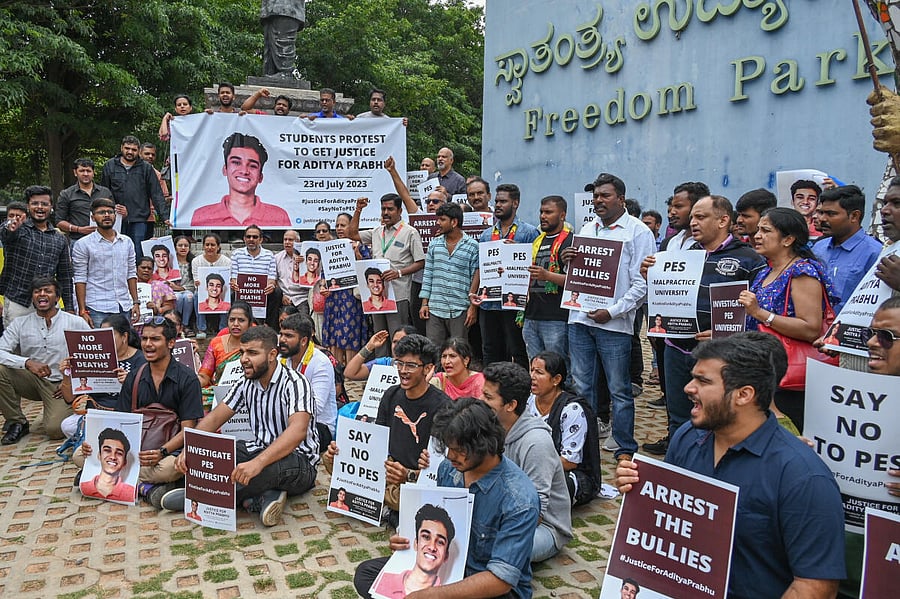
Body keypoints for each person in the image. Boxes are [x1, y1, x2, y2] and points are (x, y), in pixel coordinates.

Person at [615, 333, 846, 598]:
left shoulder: (803, 477)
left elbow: (815, 586)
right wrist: (642, 492)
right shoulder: (687, 437)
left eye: (703, 381)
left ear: (744, 394)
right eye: (693, 378)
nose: (688, 388)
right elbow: (667, 529)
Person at [355, 398, 540, 599]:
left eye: (460, 450)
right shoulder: (449, 469)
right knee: (366, 575)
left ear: (484, 445)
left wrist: (435, 595)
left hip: (489, 586)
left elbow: (501, 580)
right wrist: (405, 545)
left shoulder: (519, 500)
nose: (451, 456)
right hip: (446, 570)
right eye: (448, 447)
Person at [643, 195, 765, 448]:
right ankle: (677, 465)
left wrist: (723, 334)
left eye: (701, 217)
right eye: (693, 217)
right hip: (676, 348)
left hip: (720, 356)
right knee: (678, 415)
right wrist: (652, 276)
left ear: (723, 221)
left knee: (716, 418)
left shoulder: (750, 259)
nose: (693, 222)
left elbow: (756, 312)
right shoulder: (684, 255)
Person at [175, 325, 320, 526]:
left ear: (272, 355)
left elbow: (297, 432)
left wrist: (257, 463)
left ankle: (199, 495)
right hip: (259, 450)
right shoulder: (246, 382)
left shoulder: (295, 383)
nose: (244, 359)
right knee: (216, 450)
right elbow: (216, 418)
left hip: (299, 463)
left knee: (267, 468)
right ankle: (262, 496)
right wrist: (192, 447)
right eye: (242, 352)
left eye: (252, 353)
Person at [562, 173, 655, 463]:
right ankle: (584, 443)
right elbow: (579, 276)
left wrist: (611, 312)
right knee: (581, 385)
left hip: (613, 325)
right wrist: (569, 261)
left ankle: (625, 446)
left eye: (605, 195)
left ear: (621, 199)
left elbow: (643, 284)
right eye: (596, 196)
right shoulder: (587, 228)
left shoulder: (638, 233)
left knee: (619, 390)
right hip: (580, 321)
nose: (598, 201)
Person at [75, 315, 202, 508]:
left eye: (155, 339)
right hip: (135, 449)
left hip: (169, 451)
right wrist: (93, 443)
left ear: (171, 343)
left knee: (169, 469)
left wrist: (162, 451)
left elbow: (189, 430)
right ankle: (147, 488)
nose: (148, 344)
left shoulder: (187, 379)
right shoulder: (135, 376)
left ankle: (109, 474)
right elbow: (118, 420)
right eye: (145, 339)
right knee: (79, 454)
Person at [739, 207, 839, 431]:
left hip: (787, 378)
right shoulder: (767, 270)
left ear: (788, 239)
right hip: (762, 371)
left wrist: (760, 314)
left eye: (766, 230)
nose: (757, 236)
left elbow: (811, 328)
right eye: (758, 230)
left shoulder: (802, 272)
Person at [478, 362, 572, 562]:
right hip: (498, 515)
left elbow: (535, 512)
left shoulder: (536, 442)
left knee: (490, 549)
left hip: (544, 527)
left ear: (511, 405)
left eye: (488, 397)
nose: (480, 401)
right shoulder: (488, 425)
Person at [0, 277, 90, 444]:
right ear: (32, 297)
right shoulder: (20, 323)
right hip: (32, 380)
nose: (42, 294)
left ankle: (69, 410)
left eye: (47, 291)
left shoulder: (76, 322)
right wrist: (27, 363)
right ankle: (17, 422)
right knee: (1, 370)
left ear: (57, 297)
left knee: (55, 430)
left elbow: (93, 355)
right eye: (37, 291)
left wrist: (74, 385)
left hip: (62, 384)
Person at [473, 183, 540, 366]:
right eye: (497, 201)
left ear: (515, 203)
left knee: (517, 350)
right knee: (490, 350)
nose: (499, 205)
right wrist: (476, 294)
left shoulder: (529, 232)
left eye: (503, 201)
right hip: (489, 302)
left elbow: (536, 265)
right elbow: (480, 267)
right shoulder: (486, 235)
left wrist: (517, 252)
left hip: (515, 303)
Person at [348, 194, 426, 344]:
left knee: (397, 337)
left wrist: (399, 273)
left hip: (398, 294)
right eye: (383, 209)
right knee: (379, 337)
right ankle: (380, 366)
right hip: (377, 294)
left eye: (390, 209)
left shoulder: (410, 232)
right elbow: (351, 234)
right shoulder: (377, 231)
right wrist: (358, 210)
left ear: (399, 210)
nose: (385, 213)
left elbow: (421, 262)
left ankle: (397, 366)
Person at [528, 351, 602, 506]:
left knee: (550, 488)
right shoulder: (529, 401)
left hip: (567, 473)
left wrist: (532, 466)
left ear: (556, 379)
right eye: (532, 370)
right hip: (533, 466)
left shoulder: (572, 410)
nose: (532, 377)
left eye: (539, 372)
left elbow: (569, 462)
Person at [59, 314, 146, 439]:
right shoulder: (90, 357)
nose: (104, 341)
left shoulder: (140, 359)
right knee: (67, 425)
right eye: (101, 336)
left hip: (126, 413)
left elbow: (149, 396)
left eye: (109, 336)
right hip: (96, 413)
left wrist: (130, 382)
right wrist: (66, 375)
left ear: (124, 337)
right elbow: (69, 398)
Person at [0, 186, 76, 326]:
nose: (40, 207)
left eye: (44, 204)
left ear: (51, 207)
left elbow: (65, 276)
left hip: (48, 304)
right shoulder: (18, 230)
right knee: (15, 347)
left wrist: (70, 308)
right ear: (28, 206)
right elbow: (6, 234)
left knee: (51, 346)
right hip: (18, 302)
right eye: (35, 203)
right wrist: (9, 227)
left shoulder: (59, 239)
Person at [191, 133, 291, 227]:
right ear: (225, 169)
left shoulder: (280, 216)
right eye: (236, 162)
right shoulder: (201, 215)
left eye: (252, 166)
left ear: (260, 176)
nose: (244, 171)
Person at [813, 185, 882, 312]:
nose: (822, 219)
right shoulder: (818, 248)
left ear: (854, 216)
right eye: (821, 212)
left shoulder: (875, 253)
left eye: (831, 214)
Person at [72, 198, 141, 327]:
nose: (106, 215)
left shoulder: (126, 242)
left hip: (124, 305)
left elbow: (131, 274)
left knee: (125, 345)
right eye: (101, 212)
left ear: (115, 215)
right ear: (93, 217)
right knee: (102, 346)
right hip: (96, 307)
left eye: (110, 212)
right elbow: (80, 278)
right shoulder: (83, 244)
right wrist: (82, 310)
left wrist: (136, 302)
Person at [524, 195, 574, 368]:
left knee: (557, 367)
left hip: (556, 318)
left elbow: (577, 282)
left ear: (562, 215)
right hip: (531, 316)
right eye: (541, 212)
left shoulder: (571, 241)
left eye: (548, 212)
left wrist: (548, 276)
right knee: (536, 367)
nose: (543, 216)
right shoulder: (537, 240)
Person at [420, 203, 479, 347]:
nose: (438, 223)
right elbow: (428, 275)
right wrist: (424, 304)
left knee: (458, 352)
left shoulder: (472, 246)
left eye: (442, 219)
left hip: (460, 309)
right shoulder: (434, 244)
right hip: (435, 308)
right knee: (433, 352)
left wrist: (473, 308)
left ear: (454, 222)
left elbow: (476, 278)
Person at [100, 135, 168, 258]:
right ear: (121, 148)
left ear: (138, 151)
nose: (130, 152)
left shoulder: (146, 168)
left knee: (137, 253)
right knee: (115, 251)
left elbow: (156, 193)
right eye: (127, 148)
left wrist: (165, 216)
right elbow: (104, 192)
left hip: (139, 218)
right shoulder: (109, 166)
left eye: (134, 149)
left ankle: (136, 277)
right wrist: (112, 208)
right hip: (116, 218)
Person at [370, 504, 455, 595]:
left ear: (446, 555)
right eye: (426, 537)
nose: (432, 547)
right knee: (364, 572)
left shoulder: (446, 593)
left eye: (440, 542)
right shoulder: (386, 581)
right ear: (416, 543)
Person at [279, 313, 337, 445]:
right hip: (288, 419)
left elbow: (316, 408)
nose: (282, 340)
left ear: (304, 341)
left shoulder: (320, 363)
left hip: (319, 426)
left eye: (288, 336)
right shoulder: (281, 358)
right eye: (281, 334)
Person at [322, 212, 367, 364]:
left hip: (351, 298)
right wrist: (324, 287)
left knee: (350, 333)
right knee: (334, 334)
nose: (339, 228)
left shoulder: (360, 246)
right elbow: (324, 275)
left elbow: (369, 270)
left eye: (343, 225)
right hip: (333, 298)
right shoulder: (330, 248)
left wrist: (358, 255)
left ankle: (351, 371)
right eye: (337, 225)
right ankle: (336, 370)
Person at [230, 225, 281, 329]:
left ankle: (270, 327)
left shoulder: (269, 255)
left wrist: (270, 286)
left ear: (261, 239)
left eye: (255, 237)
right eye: (248, 237)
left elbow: (272, 279)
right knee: (231, 293)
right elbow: (233, 277)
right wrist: (234, 284)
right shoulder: (236, 254)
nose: (251, 240)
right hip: (242, 291)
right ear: (244, 239)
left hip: (262, 291)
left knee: (276, 292)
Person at [55, 158, 114, 244]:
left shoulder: (105, 192)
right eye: (82, 171)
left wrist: (123, 213)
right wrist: (79, 229)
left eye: (88, 171)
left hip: (104, 240)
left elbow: (114, 214)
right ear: (75, 172)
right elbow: (59, 221)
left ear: (93, 173)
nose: (85, 174)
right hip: (78, 240)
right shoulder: (66, 194)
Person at [198, 302, 256, 389]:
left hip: (249, 391)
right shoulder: (216, 343)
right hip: (220, 393)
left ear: (250, 323)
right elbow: (204, 376)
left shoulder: (257, 345)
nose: (235, 324)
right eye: (232, 320)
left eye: (241, 320)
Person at [192, 233, 232, 339]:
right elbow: (196, 280)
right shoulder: (196, 261)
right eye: (207, 244)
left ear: (218, 246)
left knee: (228, 296)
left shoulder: (226, 261)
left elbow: (229, 279)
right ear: (203, 246)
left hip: (222, 290)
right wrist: (197, 283)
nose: (210, 247)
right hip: (203, 291)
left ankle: (223, 328)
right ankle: (201, 328)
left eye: (213, 245)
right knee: (196, 296)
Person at [79, 427, 136, 502]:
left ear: (125, 461)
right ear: (99, 455)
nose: (113, 457)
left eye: (119, 453)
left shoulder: (130, 492)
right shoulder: (84, 487)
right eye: (107, 450)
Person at [344, 326, 416, 381]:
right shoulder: (384, 363)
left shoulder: (419, 367)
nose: (397, 346)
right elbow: (349, 373)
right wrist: (368, 347)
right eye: (395, 342)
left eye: (402, 342)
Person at [260, 0, 305, 78]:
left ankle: (285, 72)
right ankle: (273, 72)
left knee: (283, 42)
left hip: (288, 9)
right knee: (270, 45)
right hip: (270, 10)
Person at [274, 230, 307, 308]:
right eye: (285, 239)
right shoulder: (277, 258)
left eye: (290, 240)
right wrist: (282, 296)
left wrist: (305, 264)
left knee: (305, 319)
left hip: (302, 297)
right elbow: (274, 280)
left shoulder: (306, 257)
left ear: (298, 242)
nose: (287, 242)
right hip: (284, 297)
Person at [171, 236, 195, 335]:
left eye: (186, 245)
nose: (183, 248)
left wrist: (181, 288)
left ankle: (185, 325)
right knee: (178, 297)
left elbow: (195, 281)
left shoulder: (193, 262)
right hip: (172, 290)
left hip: (187, 289)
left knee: (188, 297)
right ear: (175, 247)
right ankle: (176, 323)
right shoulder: (170, 261)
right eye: (180, 245)